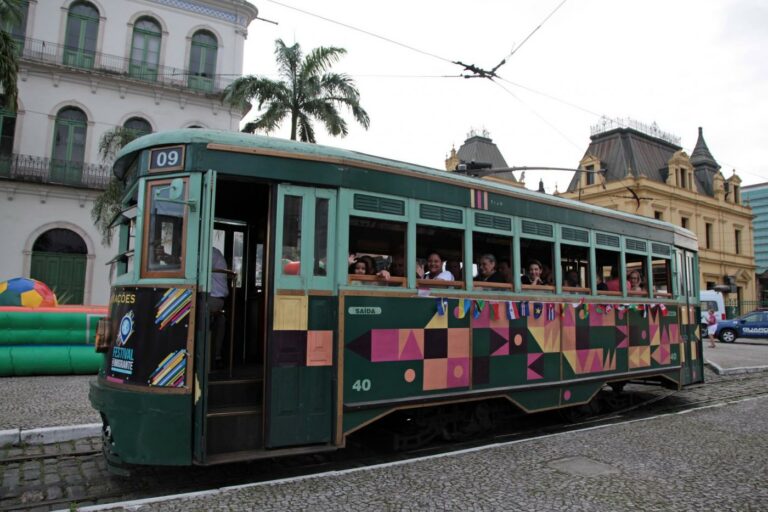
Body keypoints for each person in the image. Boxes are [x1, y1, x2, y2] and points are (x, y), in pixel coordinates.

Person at [210, 247, 232, 369]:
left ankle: (209, 356)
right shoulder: (213, 252)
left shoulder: (211, 253)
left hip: (214, 298)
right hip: (214, 298)